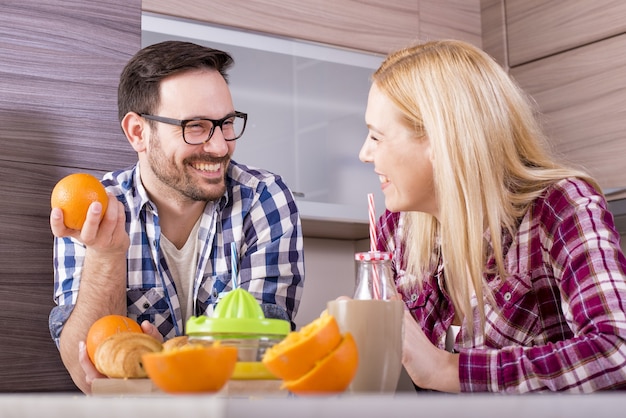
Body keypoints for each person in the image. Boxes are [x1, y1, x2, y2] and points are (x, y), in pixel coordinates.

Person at [359, 39, 626, 393]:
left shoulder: (562, 208)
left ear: (441, 140)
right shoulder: (396, 233)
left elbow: (616, 350)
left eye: (377, 137)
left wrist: (446, 369)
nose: (364, 154)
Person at [49, 41, 305, 393]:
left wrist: (159, 372)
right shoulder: (92, 209)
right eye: (196, 127)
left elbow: (258, 360)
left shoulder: (263, 199)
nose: (219, 147)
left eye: (226, 123)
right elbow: (86, 372)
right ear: (138, 132)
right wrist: (105, 256)